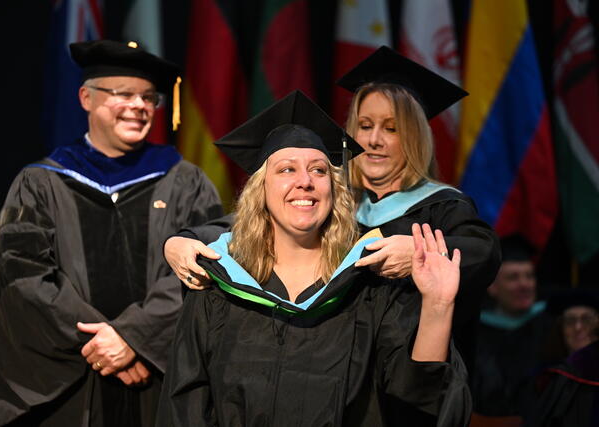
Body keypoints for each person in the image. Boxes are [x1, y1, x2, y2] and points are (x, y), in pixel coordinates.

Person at [163, 46, 500, 373]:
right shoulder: (336, 202)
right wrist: (180, 241)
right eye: (365, 126)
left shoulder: (442, 207)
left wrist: (421, 250)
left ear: (416, 138)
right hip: (339, 371)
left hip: (409, 375)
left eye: (392, 129)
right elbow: (251, 220)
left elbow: (482, 251)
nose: (374, 140)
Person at [156, 90, 471, 426]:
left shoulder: (370, 289)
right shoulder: (218, 290)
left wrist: (438, 306)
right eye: (287, 170)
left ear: (334, 191)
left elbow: (413, 404)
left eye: (319, 171)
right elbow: (184, 408)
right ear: (260, 190)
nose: (304, 182)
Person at [0, 40, 223, 426]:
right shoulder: (40, 183)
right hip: (73, 385)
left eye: (148, 97)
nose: (138, 106)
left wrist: (136, 339)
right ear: (86, 98)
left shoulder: (187, 182)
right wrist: (104, 345)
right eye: (122, 94)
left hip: (159, 383)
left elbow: (206, 269)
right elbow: (21, 276)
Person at [470, 234, 551, 424]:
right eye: (513, 277)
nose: (524, 284)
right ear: (492, 288)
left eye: (529, 276)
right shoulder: (476, 332)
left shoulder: (551, 328)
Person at [526, 288, 599, 427]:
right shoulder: (548, 378)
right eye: (570, 321)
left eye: (587, 319)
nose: (578, 327)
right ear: (560, 328)